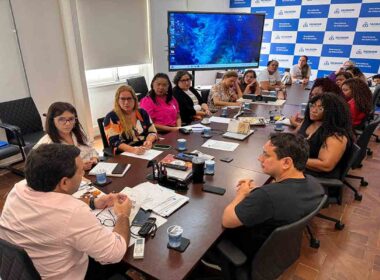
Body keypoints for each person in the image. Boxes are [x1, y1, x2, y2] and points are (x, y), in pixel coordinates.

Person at [0, 144, 132, 279]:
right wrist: (123, 214)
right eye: (81, 171)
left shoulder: (19, 188)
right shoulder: (73, 212)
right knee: (125, 259)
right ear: (64, 182)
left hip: (26, 270)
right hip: (67, 275)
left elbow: (53, 206)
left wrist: (93, 202)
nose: (83, 175)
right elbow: (115, 253)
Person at [221, 133, 324, 259]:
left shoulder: (266, 197)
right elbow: (280, 197)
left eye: (266, 155)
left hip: (252, 250)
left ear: (286, 162)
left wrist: (241, 193)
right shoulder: (314, 184)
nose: (260, 158)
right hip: (280, 250)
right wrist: (259, 192)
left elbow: (227, 220)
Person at [298, 93, 354, 179]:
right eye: (312, 105)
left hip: (317, 177)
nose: (313, 110)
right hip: (303, 167)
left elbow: (325, 166)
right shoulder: (311, 123)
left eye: (320, 108)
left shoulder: (336, 136)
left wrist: (294, 159)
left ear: (331, 112)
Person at [35, 102, 99, 171]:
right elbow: (51, 171)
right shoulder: (47, 143)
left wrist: (94, 158)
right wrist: (79, 167)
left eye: (71, 119)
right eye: (61, 119)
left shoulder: (78, 133)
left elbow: (91, 150)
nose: (68, 123)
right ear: (52, 121)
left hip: (89, 172)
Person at [104, 85, 158, 155]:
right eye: (122, 99)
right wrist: (133, 150)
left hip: (145, 150)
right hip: (124, 153)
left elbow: (152, 131)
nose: (126, 102)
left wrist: (149, 141)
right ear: (117, 100)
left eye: (129, 99)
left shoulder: (142, 112)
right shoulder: (111, 117)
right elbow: (114, 142)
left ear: (134, 100)